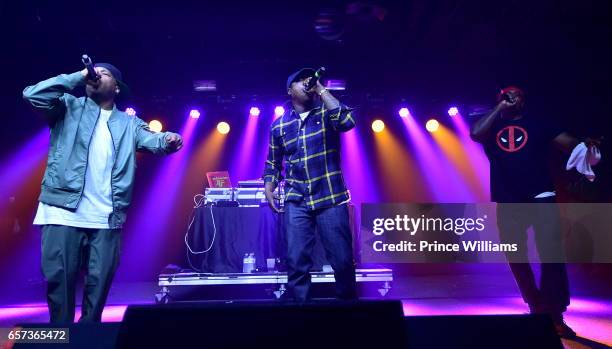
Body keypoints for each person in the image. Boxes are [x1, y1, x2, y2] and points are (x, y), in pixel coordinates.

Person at [23, 63, 183, 323]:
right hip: (61, 211)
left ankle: (89, 339)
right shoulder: (67, 107)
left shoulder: (129, 123)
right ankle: (62, 340)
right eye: (91, 72)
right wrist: (77, 76)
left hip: (106, 216)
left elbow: (153, 140)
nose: (94, 75)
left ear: (116, 87)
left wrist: (169, 139)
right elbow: (32, 95)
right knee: (59, 288)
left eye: (103, 73)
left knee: (98, 289)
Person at [470, 86, 601, 338]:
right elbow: (475, 133)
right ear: (498, 100)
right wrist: (499, 109)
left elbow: (570, 143)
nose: (511, 98)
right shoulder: (490, 126)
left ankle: (554, 313)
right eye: (505, 95)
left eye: (516, 95)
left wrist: (584, 145)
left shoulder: (539, 123)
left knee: (551, 255)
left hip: (541, 196)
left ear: (523, 101)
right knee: (516, 257)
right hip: (508, 200)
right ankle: (535, 305)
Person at [263, 68, 357, 302]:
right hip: (297, 200)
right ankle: (302, 319)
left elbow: (347, 121)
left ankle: (350, 314)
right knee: (296, 263)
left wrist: (321, 89)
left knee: (342, 261)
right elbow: (273, 162)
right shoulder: (279, 125)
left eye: (309, 79)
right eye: (299, 80)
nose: (306, 82)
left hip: (330, 198)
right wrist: (269, 185)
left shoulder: (327, 112)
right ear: (289, 90)